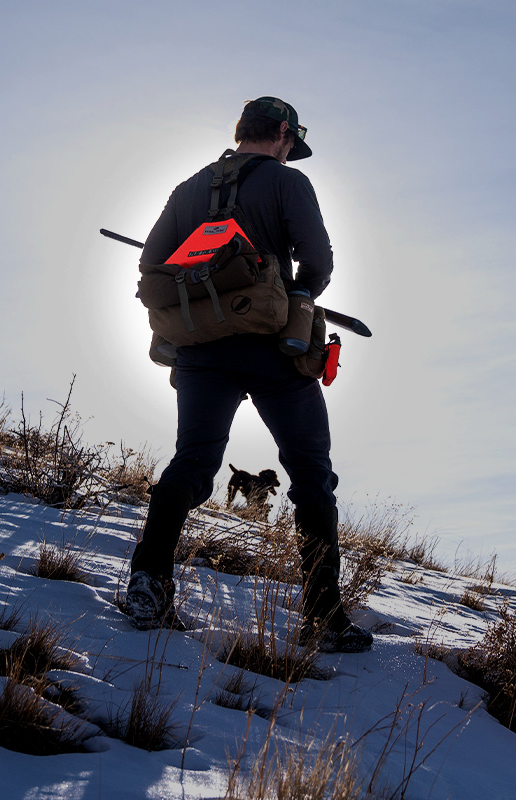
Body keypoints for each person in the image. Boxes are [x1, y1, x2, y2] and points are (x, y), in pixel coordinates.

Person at [125, 97, 372, 653]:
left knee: (193, 462)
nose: (290, 152)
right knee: (311, 475)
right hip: (273, 348)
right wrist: (299, 297)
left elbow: (152, 263)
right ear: (283, 132)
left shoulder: (188, 187)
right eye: (292, 142)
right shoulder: (288, 183)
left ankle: (148, 583)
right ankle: (323, 617)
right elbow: (318, 260)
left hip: (200, 347)